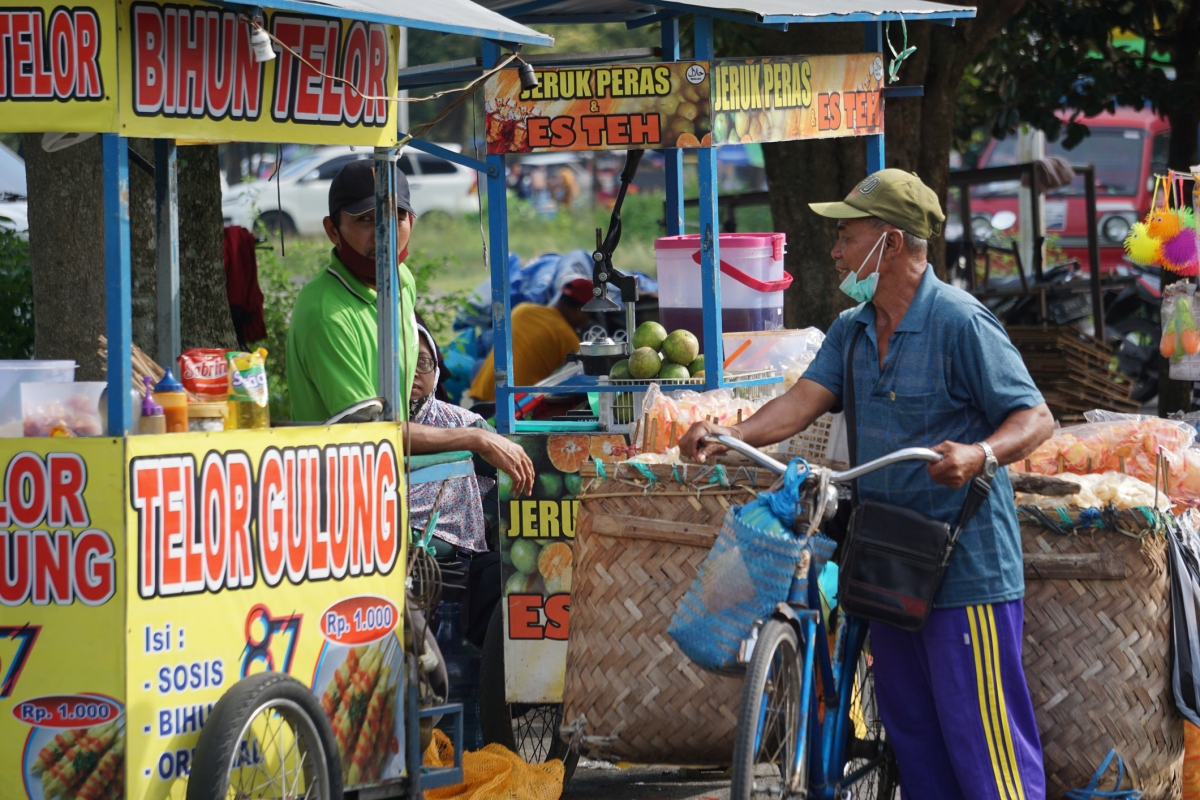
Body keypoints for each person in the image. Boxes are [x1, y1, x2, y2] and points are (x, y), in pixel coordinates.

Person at [681, 169, 1055, 800]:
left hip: (964, 567)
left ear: (893, 243)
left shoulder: (961, 321)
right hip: (886, 560)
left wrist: (979, 453)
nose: (835, 251)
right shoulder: (853, 329)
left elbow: (1036, 416)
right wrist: (728, 432)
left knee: (985, 746)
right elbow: (802, 401)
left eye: (847, 236)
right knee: (915, 739)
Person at [286, 159, 534, 494]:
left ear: (412, 221)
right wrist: (476, 438)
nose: (384, 231)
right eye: (366, 220)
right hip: (341, 490)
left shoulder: (400, 280)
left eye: (396, 216)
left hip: (390, 475)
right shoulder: (325, 312)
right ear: (333, 229)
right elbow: (370, 433)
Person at [468, 277, 595, 403]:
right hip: (513, 406)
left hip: (481, 396)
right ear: (580, 312)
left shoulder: (523, 309)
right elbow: (578, 381)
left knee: (480, 363)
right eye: (590, 316)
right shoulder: (567, 338)